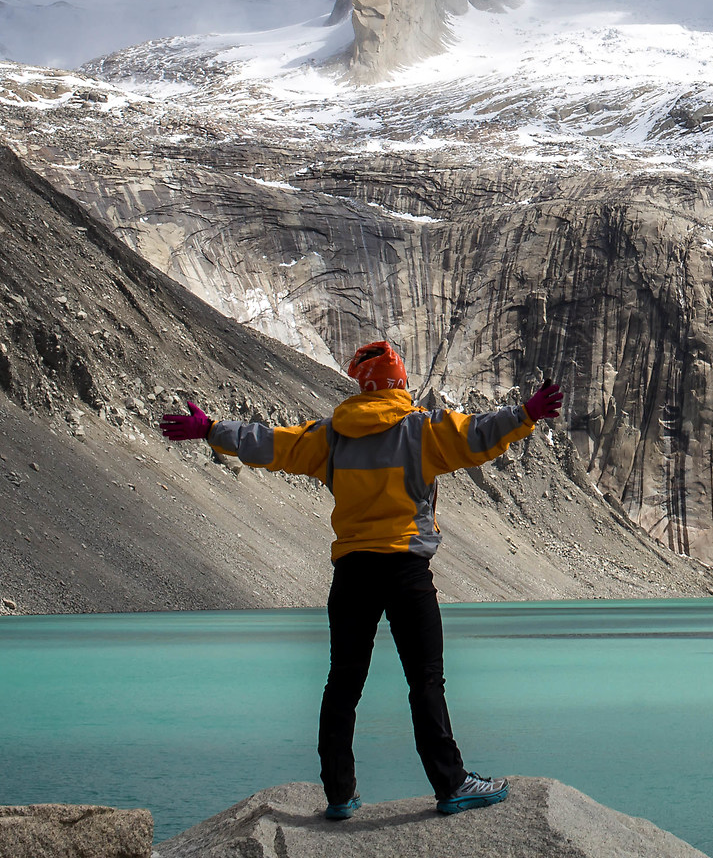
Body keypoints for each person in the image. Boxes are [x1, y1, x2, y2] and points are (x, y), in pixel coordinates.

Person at [159, 339, 565, 820]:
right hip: (407, 571)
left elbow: (269, 443)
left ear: (362, 383)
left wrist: (210, 430)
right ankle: (451, 784)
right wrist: (527, 414)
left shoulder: (330, 437)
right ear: (400, 382)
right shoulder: (422, 430)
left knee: (343, 683)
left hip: (353, 572)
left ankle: (339, 793)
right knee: (425, 680)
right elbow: (478, 434)